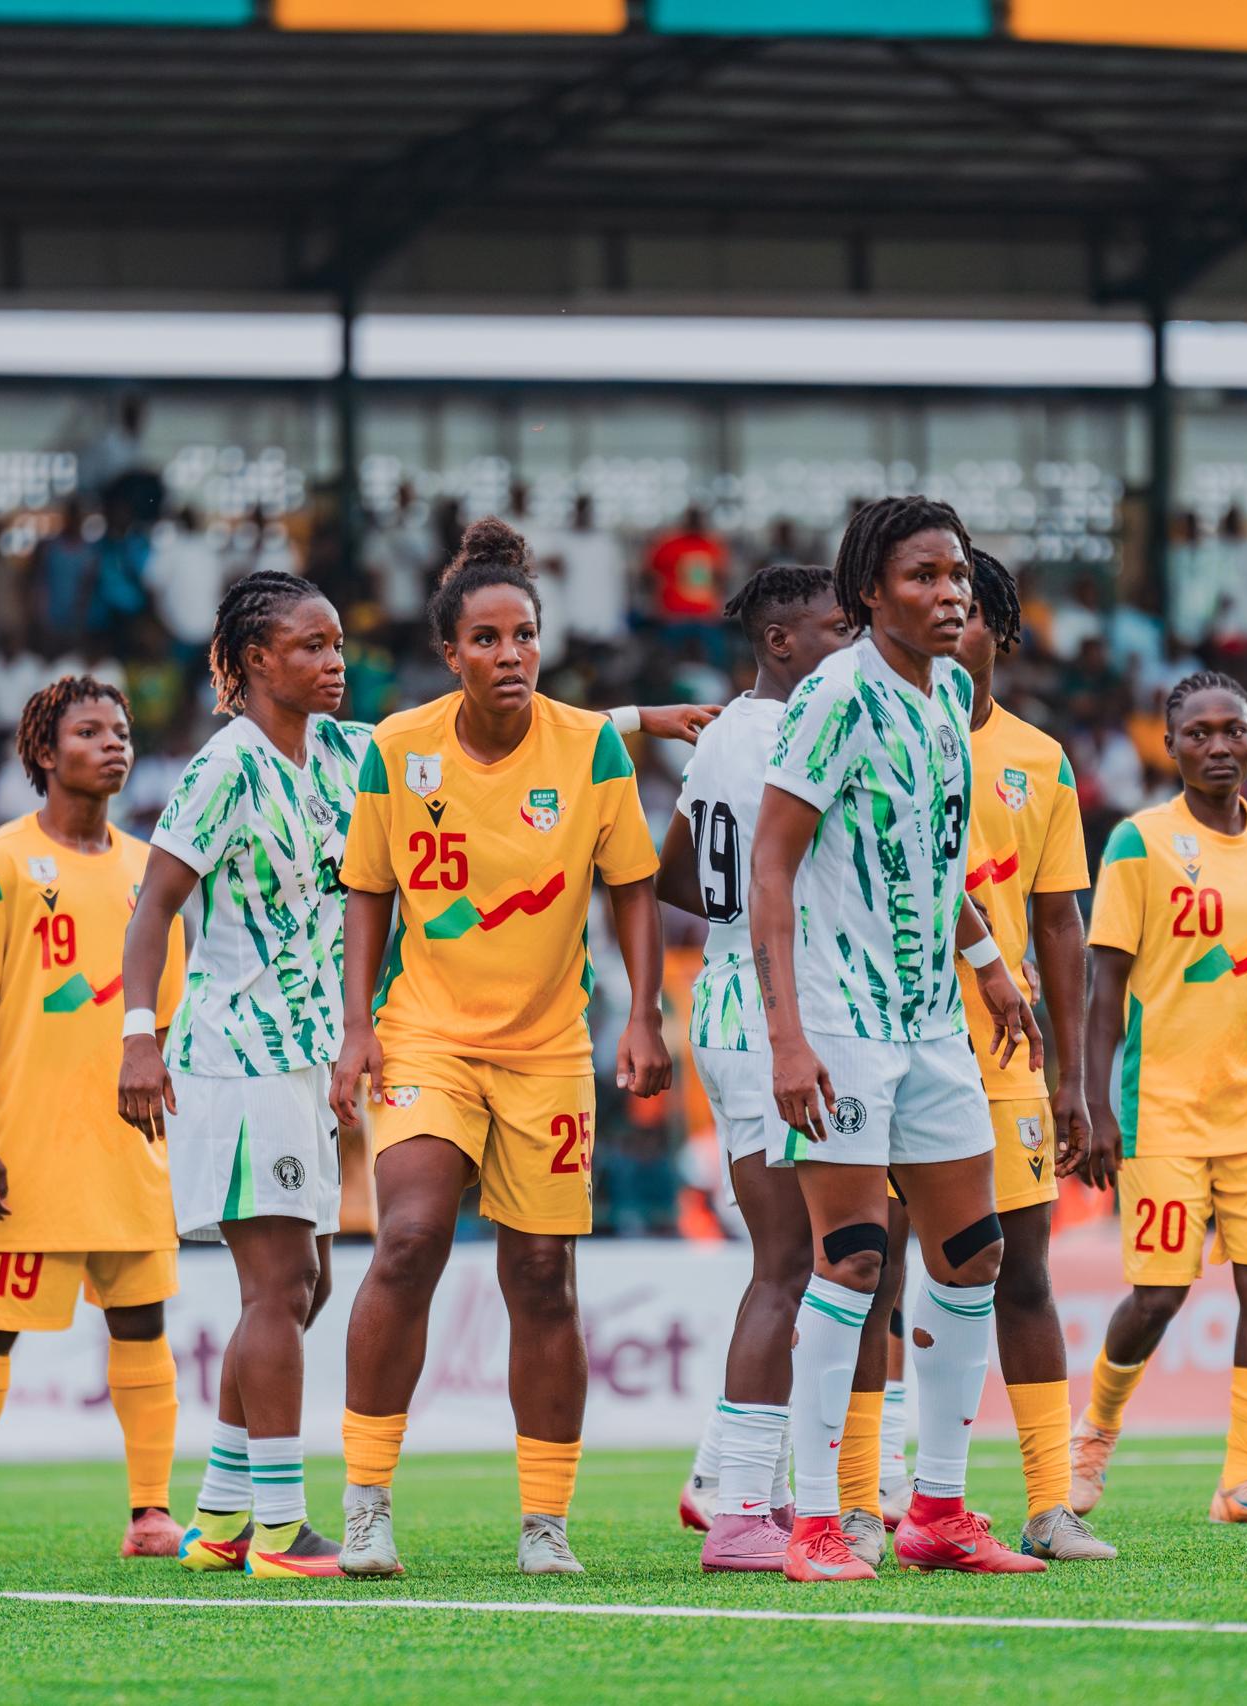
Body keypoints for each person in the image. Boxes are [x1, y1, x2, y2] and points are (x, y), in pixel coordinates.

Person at [330, 519, 672, 1579]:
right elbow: (367, 895)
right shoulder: (398, 745)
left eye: (524, 634)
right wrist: (355, 1027)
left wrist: (646, 1012)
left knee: (541, 1273)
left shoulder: (591, 746)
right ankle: (366, 1504)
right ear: (451, 651)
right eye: (486, 638)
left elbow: (633, 888)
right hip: (426, 1033)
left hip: (548, 1047)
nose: (510, 653)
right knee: (410, 1237)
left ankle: (544, 1522)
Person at [748, 494, 1045, 1582]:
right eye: (921, 574)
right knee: (855, 1258)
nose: (949, 591)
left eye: (956, 572)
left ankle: (938, 1510)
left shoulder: (951, 692)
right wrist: (786, 1036)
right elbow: (770, 868)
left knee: (973, 1251)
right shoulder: (834, 697)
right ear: (868, 590)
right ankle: (819, 1520)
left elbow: (929, 851)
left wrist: (987, 964)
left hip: (930, 1019)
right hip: (838, 1016)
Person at [0, 677, 188, 1567]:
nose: (114, 744)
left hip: (127, 1147)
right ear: (43, 752)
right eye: (89, 731)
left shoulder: (154, 870)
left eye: (122, 729)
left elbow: (168, 1013)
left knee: (142, 1323)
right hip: (26, 1147)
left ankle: (151, 1514)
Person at [120, 571, 366, 1581]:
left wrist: (630, 717)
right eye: (310, 644)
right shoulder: (224, 767)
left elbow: (470, 737)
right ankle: (279, 1523)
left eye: (337, 641)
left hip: (303, 1055)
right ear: (257, 660)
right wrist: (140, 1033)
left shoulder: (347, 754)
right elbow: (152, 906)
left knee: (305, 1284)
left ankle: (220, 1517)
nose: (333, 659)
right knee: (279, 1283)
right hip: (234, 1050)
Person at [1068, 672, 1247, 1531]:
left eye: (1235, 730)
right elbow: (1103, 984)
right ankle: (1093, 1439)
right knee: (1160, 1293)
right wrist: (1097, 1104)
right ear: (1169, 742)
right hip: (1165, 1106)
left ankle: (1244, 1482)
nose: (1219, 746)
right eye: (1199, 734)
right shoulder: (1138, 844)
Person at [663, 564, 854, 1571]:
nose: (849, 639)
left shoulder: (726, 732)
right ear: (778, 641)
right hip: (781, 1000)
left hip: (740, 987)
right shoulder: (790, 732)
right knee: (794, 1261)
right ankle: (738, 1499)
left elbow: (675, 866)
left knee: (808, 1257)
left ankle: (734, 1477)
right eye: (833, 627)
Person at [952, 548, 1115, 1563]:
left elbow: (1059, 922)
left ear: (1001, 635)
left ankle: (1050, 1501)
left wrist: (1070, 1078)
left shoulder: (1038, 758)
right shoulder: (875, 736)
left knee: (1020, 1271)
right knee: (875, 1271)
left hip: (1003, 1050)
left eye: (968, 610)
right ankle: (868, 1500)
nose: (946, 623)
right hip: (887, 1035)